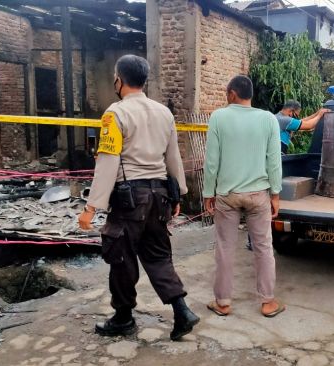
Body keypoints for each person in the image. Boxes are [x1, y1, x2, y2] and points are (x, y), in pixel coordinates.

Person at [77, 55, 199, 340]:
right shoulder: (164, 113)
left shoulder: (114, 114)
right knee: (158, 256)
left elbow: (107, 160)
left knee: (120, 258)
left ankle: (123, 318)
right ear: (145, 80)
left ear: (119, 80)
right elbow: (173, 157)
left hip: (130, 198)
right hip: (159, 197)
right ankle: (182, 311)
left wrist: (91, 207)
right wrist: (178, 192)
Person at [203, 75, 285, 318]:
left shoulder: (219, 117)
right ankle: (268, 302)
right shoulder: (268, 119)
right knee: (263, 247)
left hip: (227, 195)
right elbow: (274, 161)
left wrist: (209, 192)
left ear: (232, 94)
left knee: (225, 248)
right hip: (259, 194)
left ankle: (223, 302)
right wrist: (276, 194)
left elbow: (211, 161)